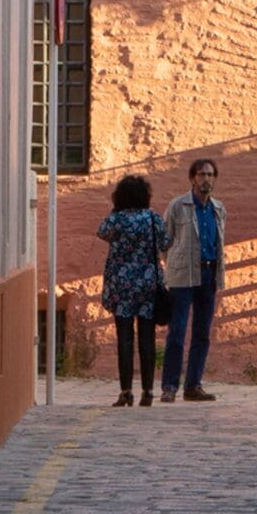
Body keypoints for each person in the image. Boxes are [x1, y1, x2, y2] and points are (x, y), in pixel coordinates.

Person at [156, 155, 227, 402]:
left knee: (202, 333)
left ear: (214, 179)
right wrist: (174, 264)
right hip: (183, 276)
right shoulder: (178, 206)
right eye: (201, 174)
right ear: (192, 178)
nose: (206, 179)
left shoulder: (218, 209)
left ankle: (193, 385)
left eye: (210, 174)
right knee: (177, 332)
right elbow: (164, 242)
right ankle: (169, 387)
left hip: (208, 274)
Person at [95, 174, 167, 406]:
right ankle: (148, 390)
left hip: (121, 285)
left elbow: (101, 231)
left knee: (124, 339)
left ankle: (126, 391)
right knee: (147, 338)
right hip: (148, 284)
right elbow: (165, 244)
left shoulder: (116, 220)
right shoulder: (153, 218)